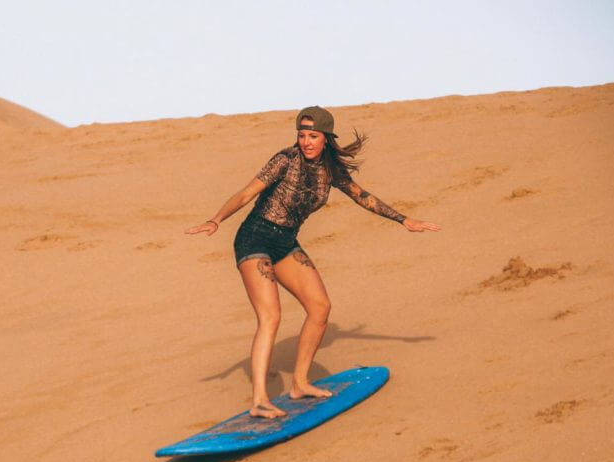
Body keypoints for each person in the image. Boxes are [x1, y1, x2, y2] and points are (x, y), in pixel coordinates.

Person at [186, 106, 441, 419]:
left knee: (320, 308)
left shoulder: (331, 170)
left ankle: (300, 383)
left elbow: (363, 197)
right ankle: (260, 400)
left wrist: (405, 220)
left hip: (285, 243)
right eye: (302, 135)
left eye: (313, 136)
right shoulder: (285, 159)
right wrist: (215, 220)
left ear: (326, 139)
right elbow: (246, 193)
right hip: (255, 238)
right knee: (271, 317)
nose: (306, 141)